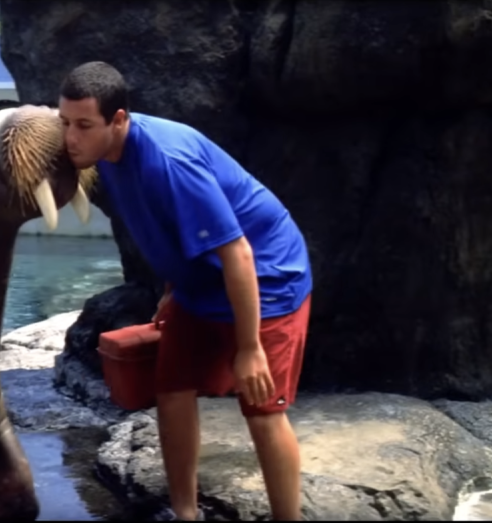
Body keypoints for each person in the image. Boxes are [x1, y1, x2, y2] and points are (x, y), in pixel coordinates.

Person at [58, 61, 312, 521]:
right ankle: (185, 513)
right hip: (201, 283)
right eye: (65, 123)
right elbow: (175, 228)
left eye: (83, 125)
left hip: (268, 278)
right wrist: (175, 286)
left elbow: (237, 254)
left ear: (118, 120)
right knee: (171, 388)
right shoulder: (107, 157)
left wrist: (250, 348)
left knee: (262, 408)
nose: (70, 137)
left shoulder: (169, 163)